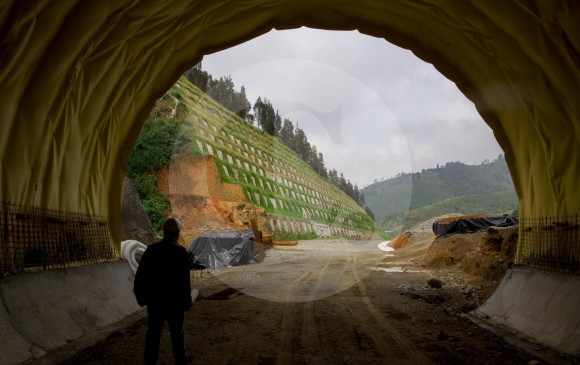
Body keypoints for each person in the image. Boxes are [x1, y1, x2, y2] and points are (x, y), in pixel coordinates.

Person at [134, 218, 193, 365]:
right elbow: (184, 280)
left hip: (155, 301)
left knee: (153, 332)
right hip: (174, 301)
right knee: (177, 331)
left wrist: (140, 296)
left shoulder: (151, 250)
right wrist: (187, 301)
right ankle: (180, 357)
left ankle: (150, 360)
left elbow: (140, 276)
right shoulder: (179, 252)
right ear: (177, 233)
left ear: (164, 232)